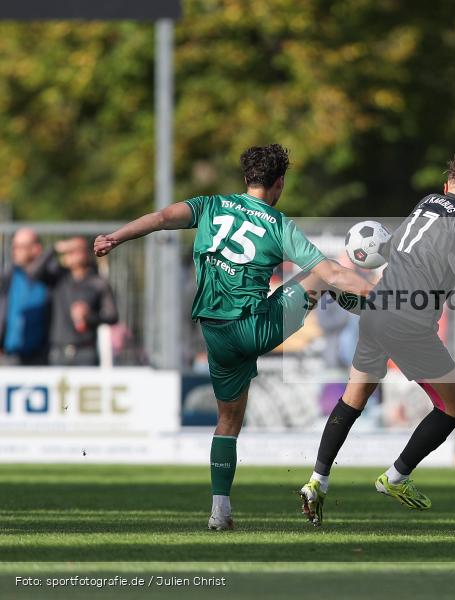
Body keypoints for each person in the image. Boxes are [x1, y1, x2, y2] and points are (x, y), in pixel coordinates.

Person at [93, 144, 373, 531]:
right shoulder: (278, 224)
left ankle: (219, 510)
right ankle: (373, 311)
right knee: (324, 276)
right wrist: (386, 296)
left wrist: (114, 238)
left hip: (214, 331)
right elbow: (335, 272)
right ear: (279, 183)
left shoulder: (209, 205)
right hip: (254, 327)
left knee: (228, 420)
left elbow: (159, 217)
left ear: (245, 180)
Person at [299, 153, 455, 526]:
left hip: (377, 311)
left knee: (352, 401)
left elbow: (403, 251)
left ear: (446, 187)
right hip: (409, 323)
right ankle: (396, 477)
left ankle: (317, 481)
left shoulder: (425, 202)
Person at [31, 237, 119, 366]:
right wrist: (54, 248)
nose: (72, 254)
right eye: (69, 250)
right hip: (58, 351)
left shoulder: (97, 282)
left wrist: (89, 316)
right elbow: (33, 273)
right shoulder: (58, 278)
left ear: (87, 253)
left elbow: (112, 316)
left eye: (77, 250)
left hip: (86, 351)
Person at [0, 228, 51, 365]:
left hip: (41, 355)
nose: (15, 251)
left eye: (21, 246)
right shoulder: (9, 276)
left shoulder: (49, 276)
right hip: (10, 354)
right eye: (14, 246)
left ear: (36, 249)